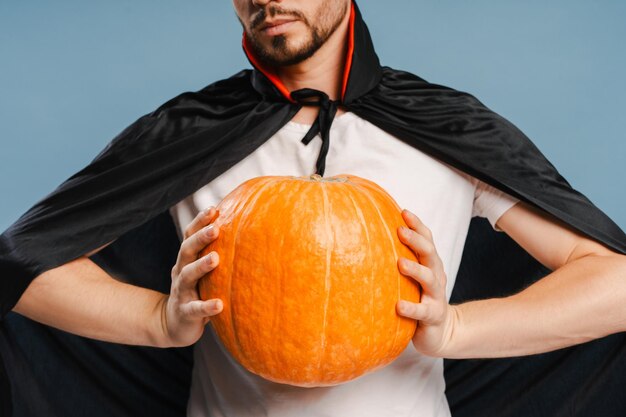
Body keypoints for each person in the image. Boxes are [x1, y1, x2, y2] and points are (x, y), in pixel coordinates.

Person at [1, 1, 625, 416]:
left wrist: (458, 330)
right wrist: (157, 320)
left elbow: (615, 282)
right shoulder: (188, 131)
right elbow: (20, 266)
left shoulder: (445, 125)